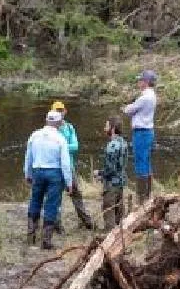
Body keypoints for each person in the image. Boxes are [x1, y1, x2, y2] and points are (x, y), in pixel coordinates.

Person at [24, 111, 73, 250]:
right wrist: (69, 182)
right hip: (54, 173)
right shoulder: (60, 139)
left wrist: (27, 173)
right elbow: (65, 163)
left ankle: (31, 235)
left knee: (35, 201)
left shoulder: (34, 135)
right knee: (51, 205)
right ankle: (46, 240)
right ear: (59, 123)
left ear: (46, 120)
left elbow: (28, 157)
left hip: (38, 171)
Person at [51, 101, 94, 230]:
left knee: (76, 194)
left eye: (61, 110)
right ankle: (57, 225)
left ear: (65, 111)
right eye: (56, 110)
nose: (59, 113)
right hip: (55, 168)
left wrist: (61, 146)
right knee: (56, 197)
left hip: (69, 167)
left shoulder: (69, 127)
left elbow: (75, 146)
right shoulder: (50, 129)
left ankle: (86, 222)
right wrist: (64, 146)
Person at [122, 70, 158, 204]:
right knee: (146, 162)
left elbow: (129, 110)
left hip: (141, 133)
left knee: (140, 163)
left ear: (146, 82)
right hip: (147, 131)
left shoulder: (145, 97)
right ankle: (147, 194)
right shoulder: (151, 95)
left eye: (141, 80)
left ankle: (141, 197)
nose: (139, 82)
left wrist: (126, 107)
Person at [95, 116, 128, 231]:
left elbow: (110, 169)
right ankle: (121, 235)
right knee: (119, 211)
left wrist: (99, 173)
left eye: (107, 126)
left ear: (112, 129)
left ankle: (110, 236)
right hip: (120, 183)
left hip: (111, 185)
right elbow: (120, 166)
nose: (105, 129)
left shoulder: (112, 146)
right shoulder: (124, 142)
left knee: (109, 210)